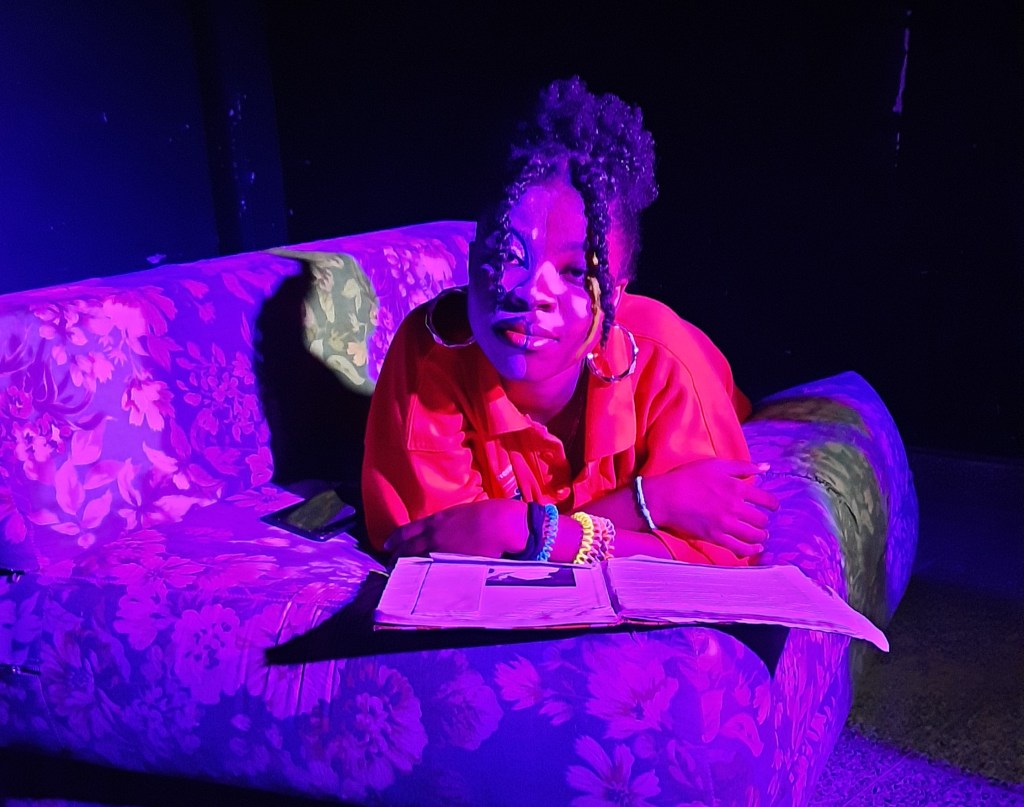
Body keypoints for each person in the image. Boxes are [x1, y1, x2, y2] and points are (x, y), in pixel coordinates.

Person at [361, 76, 778, 566]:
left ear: (617, 294)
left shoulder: (667, 362)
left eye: (576, 272)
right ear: (472, 260)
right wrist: (647, 503)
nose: (531, 293)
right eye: (507, 255)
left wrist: (522, 529)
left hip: (723, 389)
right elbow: (438, 551)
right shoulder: (430, 355)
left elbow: (724, 557)